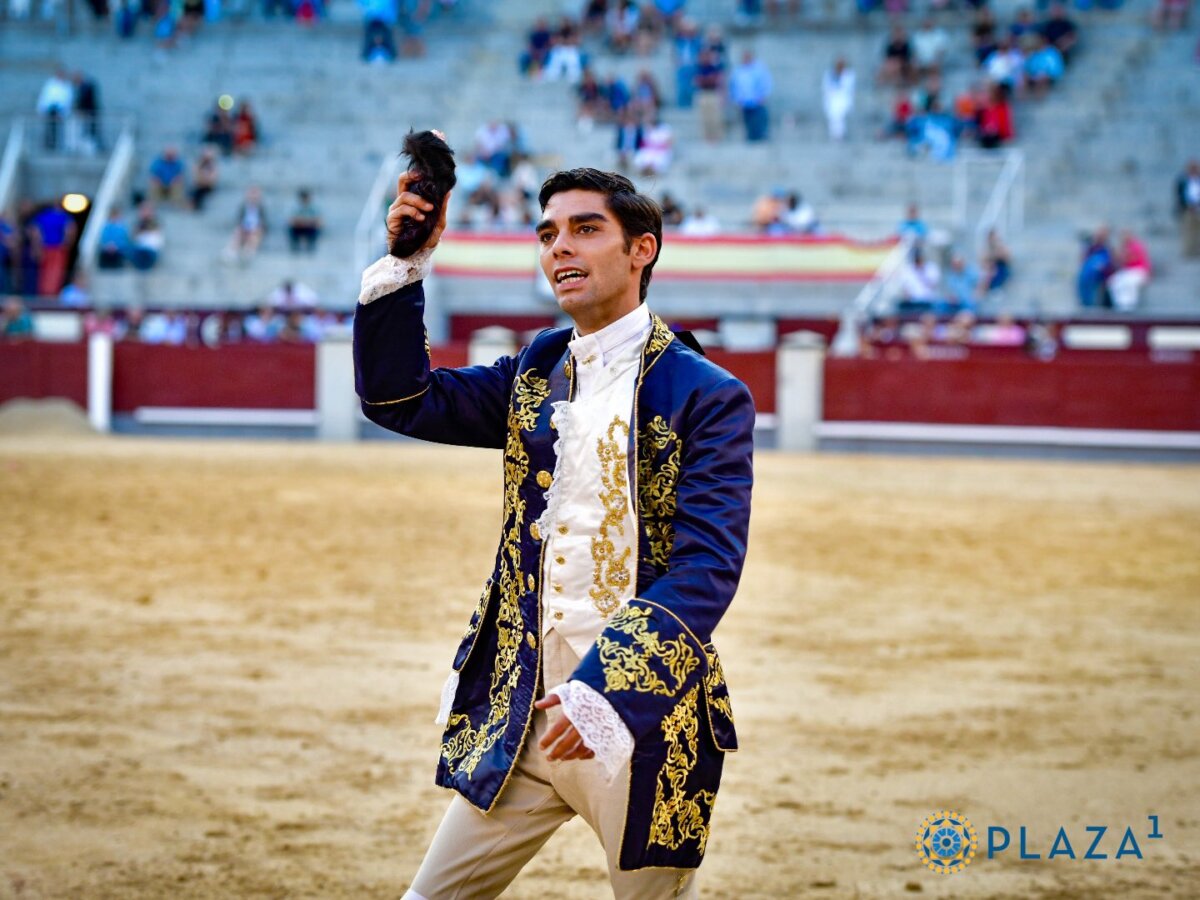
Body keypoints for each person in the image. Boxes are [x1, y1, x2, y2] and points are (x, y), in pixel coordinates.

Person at [355, 161, 753, 898]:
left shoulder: (708, 395)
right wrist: (408, 266)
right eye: (547, 234)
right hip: (525, 714)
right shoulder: (537, 371)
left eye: (585, 229)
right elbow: (400, 398)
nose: (559, 248)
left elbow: (707, 566)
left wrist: (602, 693)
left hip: (640, 719)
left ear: (643, 249)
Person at [729, 50, 772, 142]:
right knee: (747, 122)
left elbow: (766, 83)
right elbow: (734, 86)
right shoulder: (738, 70)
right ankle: (750, 138)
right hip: (744, 101)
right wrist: (736, 98)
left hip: (757, 100)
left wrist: (763, 95)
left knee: (758, 121)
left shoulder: (759, 68)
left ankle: (761, 138)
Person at [1106, 230, 1151, 311]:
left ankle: (1130, 308)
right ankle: (1120, 306)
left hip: (1139, 271)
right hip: (1128, 271)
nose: (1123, 238)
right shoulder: (1124, 247)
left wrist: (1120, 255)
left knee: (1129, 283)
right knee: (1113, 281)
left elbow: (1129, 259)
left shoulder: (1136, 245)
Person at [227, 186, 267, 263]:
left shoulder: (261, 208)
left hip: (255, 230)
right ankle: (231, 252)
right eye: (252, 194)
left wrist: (257, 228)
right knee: (238, 231)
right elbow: (239, 220)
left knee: (255, 235)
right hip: (244, 228)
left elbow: (263, 223)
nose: (253, 197)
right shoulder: (243, 207)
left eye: (255, 194)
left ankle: (248, 253)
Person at [821, 57, 856, 142]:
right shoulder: (829, 74)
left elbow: (848, 88)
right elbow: (826, 88)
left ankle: (840, 135)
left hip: (843, 98)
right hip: (832, 99)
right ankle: (835, 135)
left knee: (839, 116)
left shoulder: (849, 75)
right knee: (834, 116)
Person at [1176, 159, 1200, 257]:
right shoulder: (1183, 181)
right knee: (1188, 232)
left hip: (1198, 208)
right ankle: (1188, 252)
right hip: (1188, 210)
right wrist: (1185, 206)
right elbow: (1179, 195)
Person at [287, 189, 322, 254]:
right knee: (292, 229)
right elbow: (291, 220)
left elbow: (319, 220)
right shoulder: (296, 208)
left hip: (310, 227)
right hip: (299, 227)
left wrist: (306, 222)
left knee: (315, 230)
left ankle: (311, 247)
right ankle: (295, 248)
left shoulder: (314, 208)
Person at [190, 146, 220, 211]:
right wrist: (200, 180)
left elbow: (214, 178)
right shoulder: (199, 164)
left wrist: (206, 181)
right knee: (196, 190)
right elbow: (195, 174)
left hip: (209, 185)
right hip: (200, 184)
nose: (206, 157)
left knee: (201, 191)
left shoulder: (213, 166)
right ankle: (194, 206)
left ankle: (198, 207)